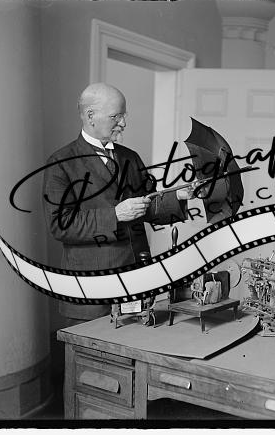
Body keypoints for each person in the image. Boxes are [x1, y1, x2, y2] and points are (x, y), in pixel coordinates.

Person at [42, 83, 195, 320]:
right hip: (91, 293)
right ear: (90, 116)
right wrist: (115, 215)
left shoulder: (130, 157)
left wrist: (180, 196)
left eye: (124, 115)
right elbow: (60, 225)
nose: (123, 123)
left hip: (136, 284)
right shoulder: (61, 163)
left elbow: (149, 206)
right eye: (116, 116)